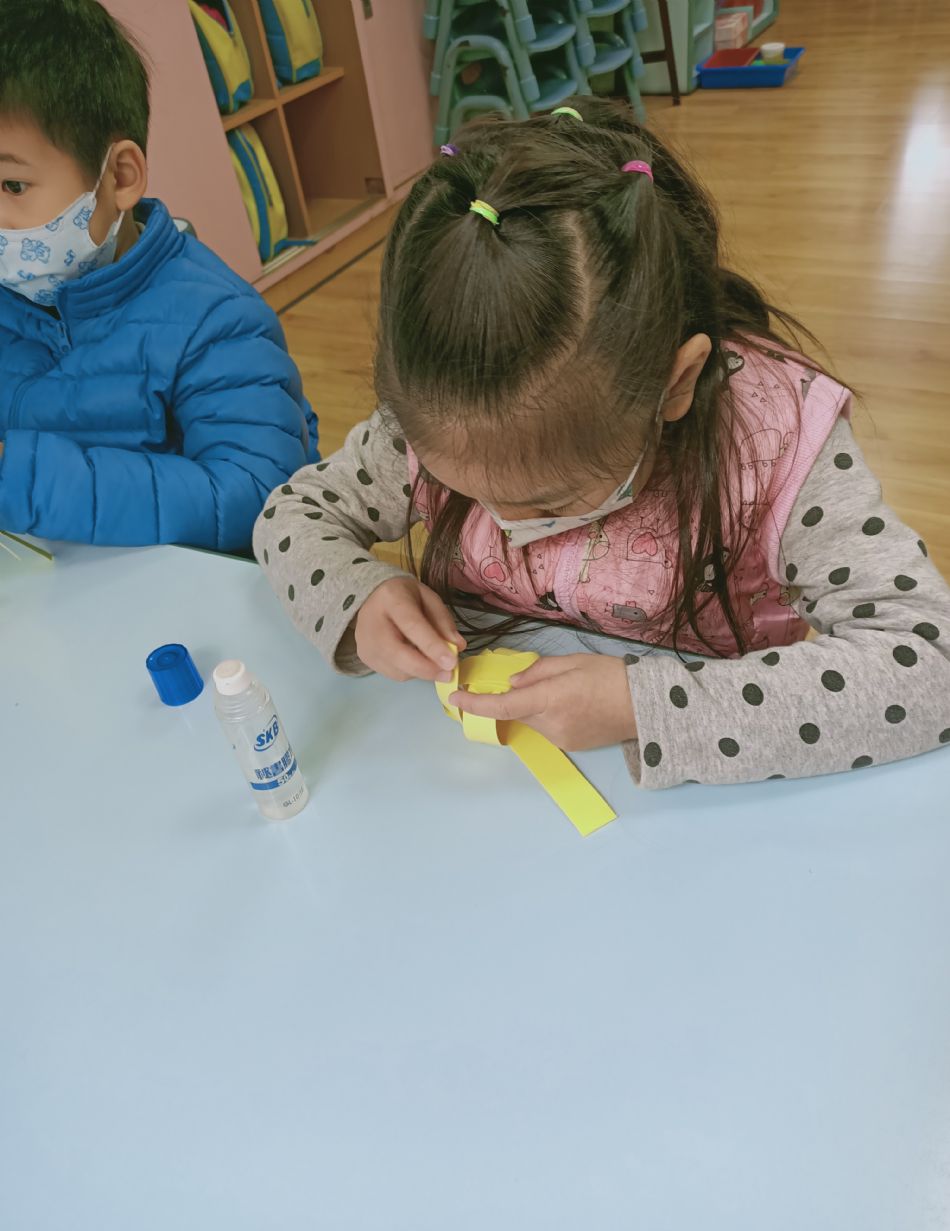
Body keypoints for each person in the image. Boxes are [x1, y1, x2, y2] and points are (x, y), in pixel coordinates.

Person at [253, 101, 950, 789]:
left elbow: (929, 662)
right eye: (462, 489)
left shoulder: (774, 439)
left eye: (548, 501)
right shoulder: (439, 405)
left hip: (704, 786)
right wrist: (357, 597)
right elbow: (291, 515)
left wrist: (639, 705)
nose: (506, 524)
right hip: (478, 781)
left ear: (675, 385)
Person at [0, 0, 318, 551]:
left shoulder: (217, 319)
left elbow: (260, 495)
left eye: (12, 186)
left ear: (121, 177)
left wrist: (22, 478)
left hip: (185, 592)